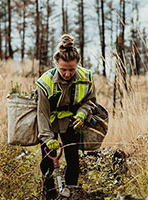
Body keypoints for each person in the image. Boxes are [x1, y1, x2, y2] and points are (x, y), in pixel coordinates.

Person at [36, 34, 96, 200]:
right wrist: (48, 138)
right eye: (63, 69)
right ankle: (49, 194)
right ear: (56, 65)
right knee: (47, 162)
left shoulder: (87, 78)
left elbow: (90, 101)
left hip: (72, 123)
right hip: (50, 124)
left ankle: (71, 193)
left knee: (73, 160)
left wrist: (83, 113)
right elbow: (42, 113)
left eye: (71, 69)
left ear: (77, 64)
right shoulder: (45, 82)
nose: (68, 73)